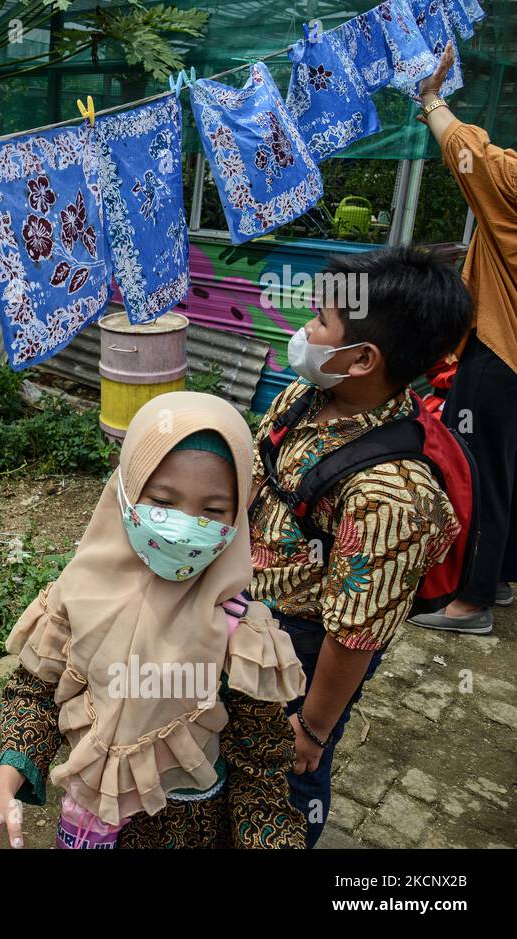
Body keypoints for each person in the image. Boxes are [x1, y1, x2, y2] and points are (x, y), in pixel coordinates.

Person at [0, 392, 307, 849]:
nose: (184, 526)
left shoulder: (238, 633)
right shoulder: (76, 593)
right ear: (126, 492)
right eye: (162, 501)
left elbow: (260, 768)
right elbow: (37, 693)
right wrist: (3, 785)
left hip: (192, 834)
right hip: (87, 825)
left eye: (213, 510)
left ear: (239, 515)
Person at [249, 245, 474, 847]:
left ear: (362, 360)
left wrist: (314, 728)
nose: (304, 330)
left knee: (285, 783)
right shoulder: (307, 398)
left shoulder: (391, 498)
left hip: (302, 655)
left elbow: (353, 635)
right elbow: (260, 469)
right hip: (250, 614)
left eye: (321, 321)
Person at [407, 40, 517, 634]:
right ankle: (497, 577)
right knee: (508, 468)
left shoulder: (513, 188)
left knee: (477, 471)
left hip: (501, 354)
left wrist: (430, 97)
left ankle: (470, 600)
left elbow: (470, 154)